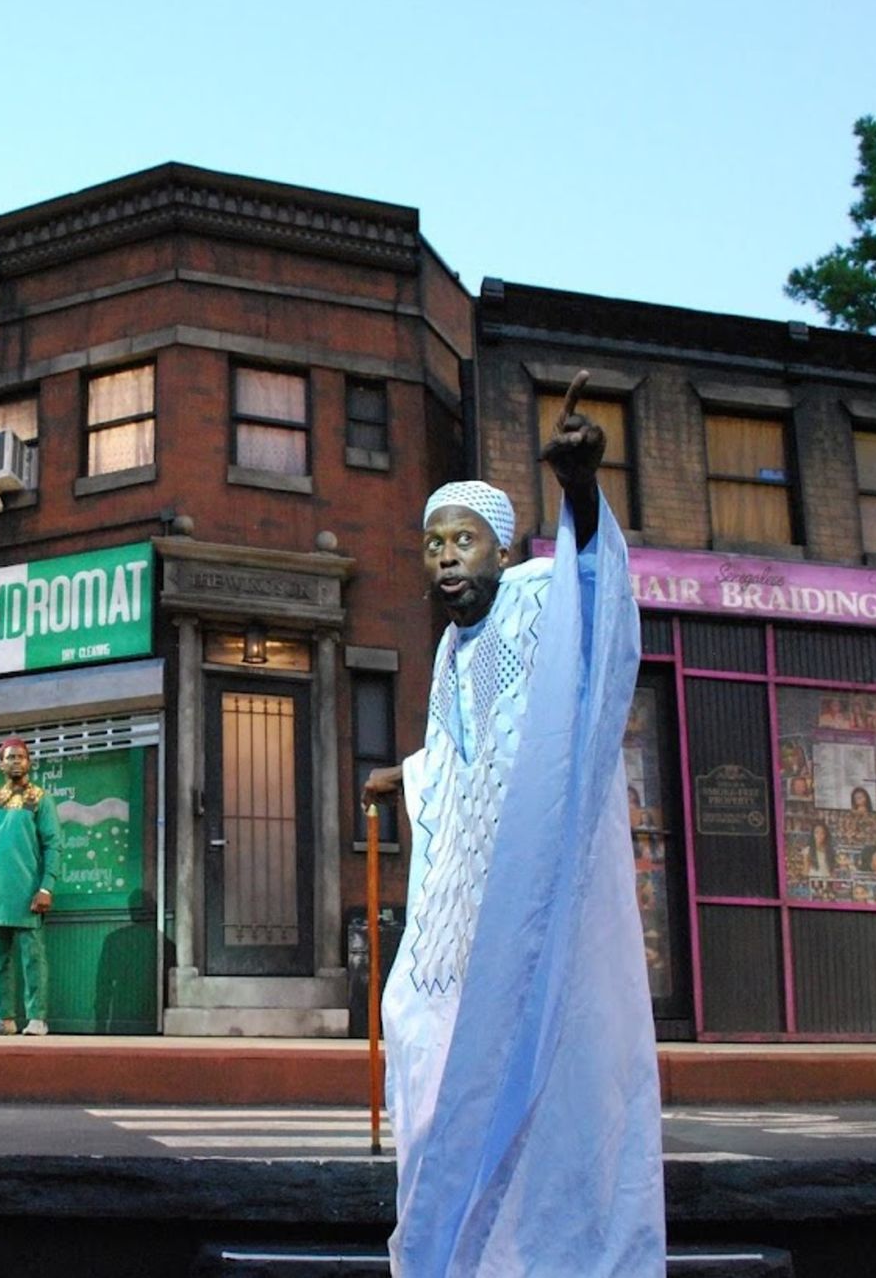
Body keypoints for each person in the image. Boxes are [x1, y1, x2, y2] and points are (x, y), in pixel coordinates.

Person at [362, 374, 663, 1275]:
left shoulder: (536, 596)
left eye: (463, 541)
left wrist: (580, 488)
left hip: (534, 902)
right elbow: (464, 758)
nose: (446, 559)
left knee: (551, 1088)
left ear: (500, 547)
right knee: (428, 1044)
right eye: (433, 545)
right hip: (462, 924)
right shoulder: (452, 647)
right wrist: (407, 772)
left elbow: (595, 600)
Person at [0, 737, 61, 1037]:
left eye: (21, 756)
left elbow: (53, 845)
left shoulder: (40, 799)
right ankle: (4, 1019)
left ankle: (37, 1018)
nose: (15, 761)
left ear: (29, 762)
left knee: (33, 958)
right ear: (0, 764)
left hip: (27, 890)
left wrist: (46, 887)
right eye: (10, 757)